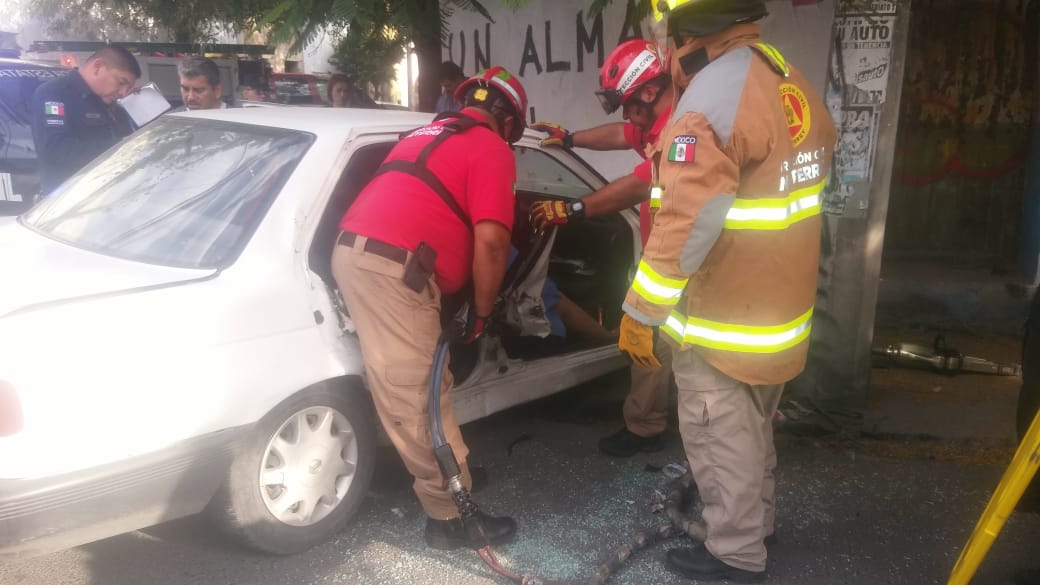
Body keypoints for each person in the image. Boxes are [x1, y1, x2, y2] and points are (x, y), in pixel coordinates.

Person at [618, 0, 836, 581]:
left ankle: (735, 552)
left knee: (719, 434)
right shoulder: (785, 77)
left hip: (725, 321)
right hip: (779, 314)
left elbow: (690, 218)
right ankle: (757, 523)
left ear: (686, 34)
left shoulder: (711, 98)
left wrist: (642, 311)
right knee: (752, 430)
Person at [330, 66, 528, 550]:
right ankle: (450, 518)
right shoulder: (490, 147)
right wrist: (481, 312)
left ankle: (449, 475)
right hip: (391, 270)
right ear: (506, 121)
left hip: (373, 259)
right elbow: (493, 242)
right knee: (420, 395)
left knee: (418, 386)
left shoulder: (426, 133)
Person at [528, 39, 676, 458]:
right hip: (666, 249)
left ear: (648, 91)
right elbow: (621, 134)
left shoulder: (679, 127)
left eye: (627, 104)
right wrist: (570, 139)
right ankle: (654, 420)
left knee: (655, 335)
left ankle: (651, 426)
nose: (626, 115)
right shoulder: (654, 119)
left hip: (679, 253)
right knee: (657, 336)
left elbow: (640, 182)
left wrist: (575, 208)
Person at [30, 45, 140, 195]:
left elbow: (131, 137)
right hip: (68, 201)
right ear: (98, 67)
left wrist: (136, 104)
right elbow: (55, 148)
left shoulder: (107, 101)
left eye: (128, 88)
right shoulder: (54, 93)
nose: (122, 92)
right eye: (121, 83)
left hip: (105, 194)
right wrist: (119, 148)